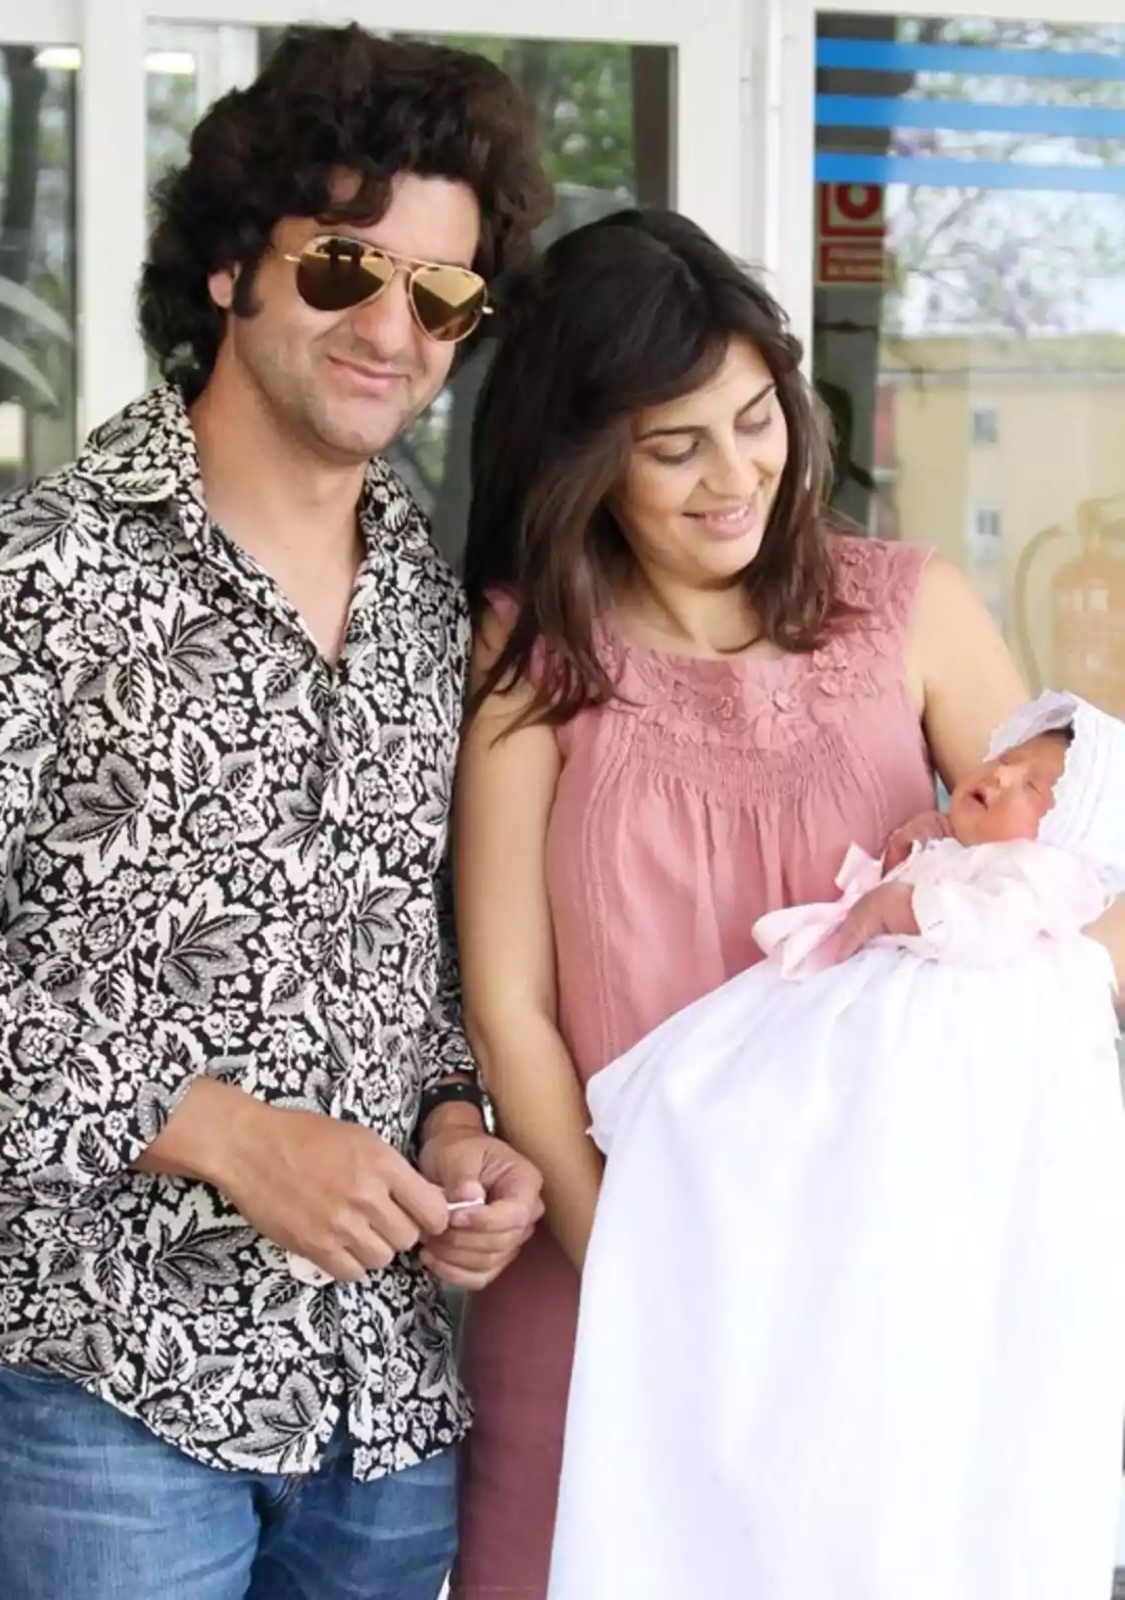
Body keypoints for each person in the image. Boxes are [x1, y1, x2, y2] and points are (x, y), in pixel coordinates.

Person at [0, 24, 552, 1600]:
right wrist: (227, 1138)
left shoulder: (432, 608)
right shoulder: (32, 572)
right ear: (228, 270)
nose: (392, 327)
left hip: (383, 1408)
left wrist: (460, 1129)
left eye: (442, 294)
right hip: (105, 1392)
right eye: (345, 266)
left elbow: (418, 950)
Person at [451, 205, 1037, 1599]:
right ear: (587, 456)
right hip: (604, 1282)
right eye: (675, 447)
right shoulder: (533, 652)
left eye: (757, 419)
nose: (736, 477)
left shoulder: (912, 609)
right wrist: (636, 1275)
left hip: (869, 1298)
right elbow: (511, 1005)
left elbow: (1065, 891)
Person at [551, 689, 1125, 1600]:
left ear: (1075, 834)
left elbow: (982, 924)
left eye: (1041, 789)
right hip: (839, 1015)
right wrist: (922, 847)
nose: (1006, 775)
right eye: (1010, 757)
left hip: (904, 1047)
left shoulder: (1044, 884)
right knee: (728, 1107)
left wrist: (901, 907)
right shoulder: (972, 853)